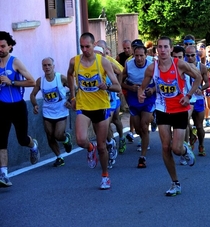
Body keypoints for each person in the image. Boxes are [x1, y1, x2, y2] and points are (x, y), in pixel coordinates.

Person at [138, 36, 200, 196]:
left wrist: (188, 95)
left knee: (176, 149)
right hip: (162, 109)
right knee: (165, 147)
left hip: (179, 109)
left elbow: (198, 77)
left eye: (166, 47)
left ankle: (184, 150)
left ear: (171, 49)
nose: (163, 50)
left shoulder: (179, 64)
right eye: (160, 47)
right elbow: (143, 84)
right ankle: (175, 182)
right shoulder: (152, 68)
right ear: (156, 50)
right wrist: (141, 93)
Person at [67, 32, 121, 190]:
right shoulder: (74, 61)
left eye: (87, 46)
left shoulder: (102, 62)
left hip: (101, 107)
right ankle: (90, 149)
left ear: (93, 45)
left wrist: (107, 86)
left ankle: (105, 176)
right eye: (81, 46)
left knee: (102, 146)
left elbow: (117, 85)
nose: (84, 49)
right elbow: (69, 75)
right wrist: (72, 96)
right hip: (83, 106)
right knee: (81, 140)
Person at [0, 31, 39, 187]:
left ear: (10, 46)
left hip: (17, 106)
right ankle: (4, 175)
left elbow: (32, 82)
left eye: (3, 46)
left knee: (22, 139)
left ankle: (33, 145)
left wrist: (12, 82)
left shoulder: (15, 62)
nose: (0, 49)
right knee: (1, 141)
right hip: (1, 107)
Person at [30, 57, 73, 167]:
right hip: (47, 112)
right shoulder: (41, 81)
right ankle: (59, 157)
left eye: (49, 65)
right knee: (50, 136)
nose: (47, 67)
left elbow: (75, 88)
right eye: (44, 65)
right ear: (42, 67)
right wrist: (35, 104)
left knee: (58, 135)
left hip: (61, 111)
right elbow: (32, 94)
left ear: (53, 66)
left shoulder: (61, 78)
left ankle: (66, 138)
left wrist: (70, 100)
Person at [122, 44, 155, 168]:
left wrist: (153, 89)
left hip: (148, 95)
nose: (139, 58)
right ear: (133, 55)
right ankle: (144, 136)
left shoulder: (153, 64)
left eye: (142, 55)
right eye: (137, 55)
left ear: (146, 55)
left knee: (144, 125)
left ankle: (143, 156)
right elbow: (120, 82)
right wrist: (131, 88)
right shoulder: (128, 65)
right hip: (134, 96)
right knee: (138, 128)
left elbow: (161, 80)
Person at [185, 45, 210, 156]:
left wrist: (201, 88)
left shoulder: (202, 67)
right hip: (188, 98)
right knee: (185, 121)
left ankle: (201, 144)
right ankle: (192, 134)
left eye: (192, 55)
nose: (190, 57)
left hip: (199, 99)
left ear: (197, 55)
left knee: (199, 125)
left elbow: (207, 83)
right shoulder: (182, 66)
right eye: (187, 55)